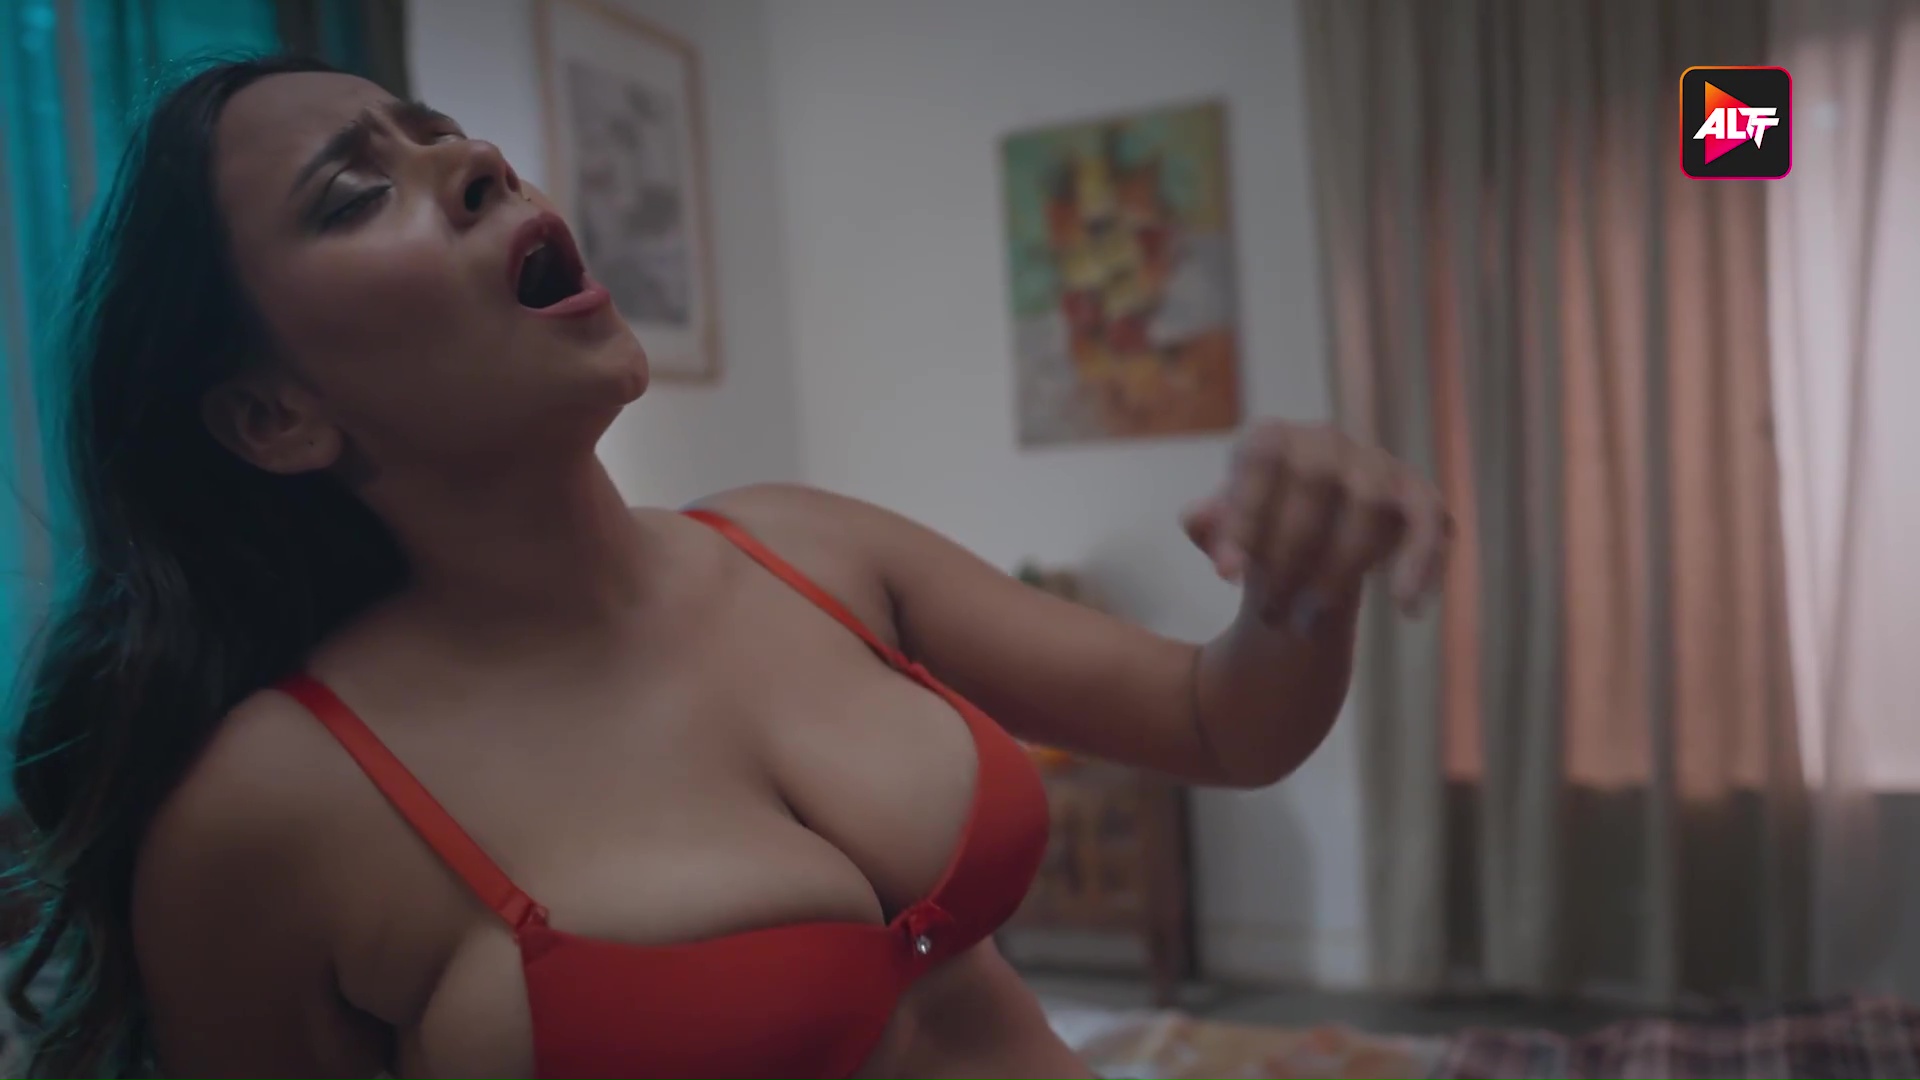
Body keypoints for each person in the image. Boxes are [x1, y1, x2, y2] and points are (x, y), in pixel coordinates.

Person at [4, 56, 1450, 1080]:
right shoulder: (271, 807)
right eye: (351, 193)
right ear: (273, 417)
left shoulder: (806, 545)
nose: (472, 161)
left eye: (439, 133)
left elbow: (1221, 723)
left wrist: (1298, 586)